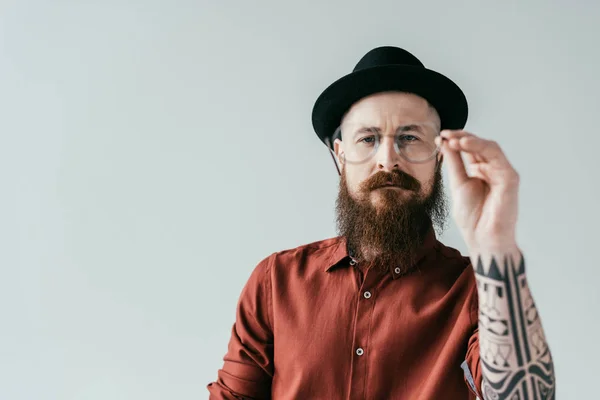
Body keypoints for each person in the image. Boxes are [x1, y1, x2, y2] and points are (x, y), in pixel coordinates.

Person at [207, 46, 556, 399]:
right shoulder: (275, 283)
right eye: (368, 139)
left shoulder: (478, 290)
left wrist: (495, 247)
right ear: (341, 156)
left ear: (439, 157)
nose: (388, 161)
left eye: (409, 138)